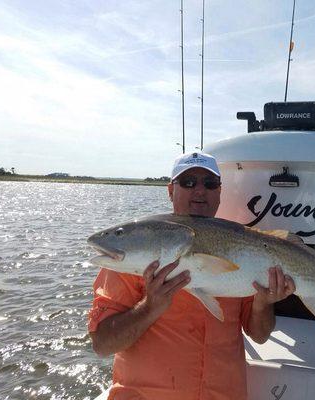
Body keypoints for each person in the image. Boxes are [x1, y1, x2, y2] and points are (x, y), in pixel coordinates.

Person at [88, 151, 296, 400]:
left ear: (219, 192)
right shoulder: (130, 262)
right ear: (170, 190)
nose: (199, 190)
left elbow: (259, 335)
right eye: (187, 182)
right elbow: (102, 344)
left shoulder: (241, 246)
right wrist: (150, 307)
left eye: (209, 184)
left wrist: (263, 303)